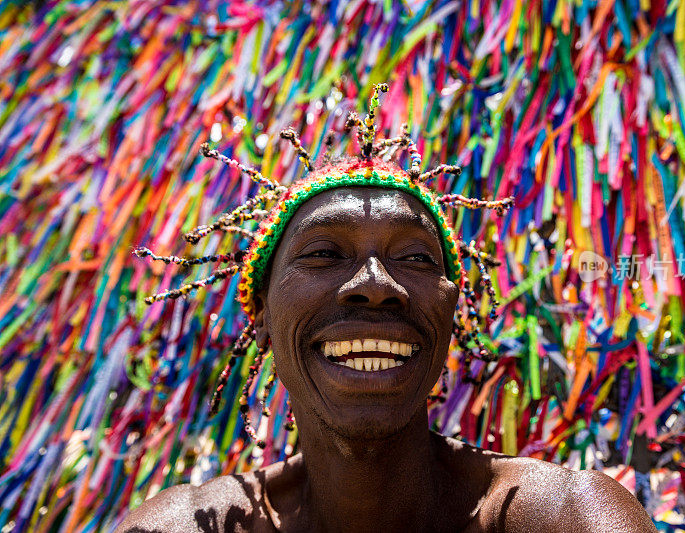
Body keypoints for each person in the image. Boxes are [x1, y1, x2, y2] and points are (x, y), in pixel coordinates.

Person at [119, 86, 657, 533]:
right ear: (259, 313)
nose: (377, 285)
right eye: (324, 253)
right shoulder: (178, 526)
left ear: (450, 313)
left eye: (415, 258)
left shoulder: (564, 519)